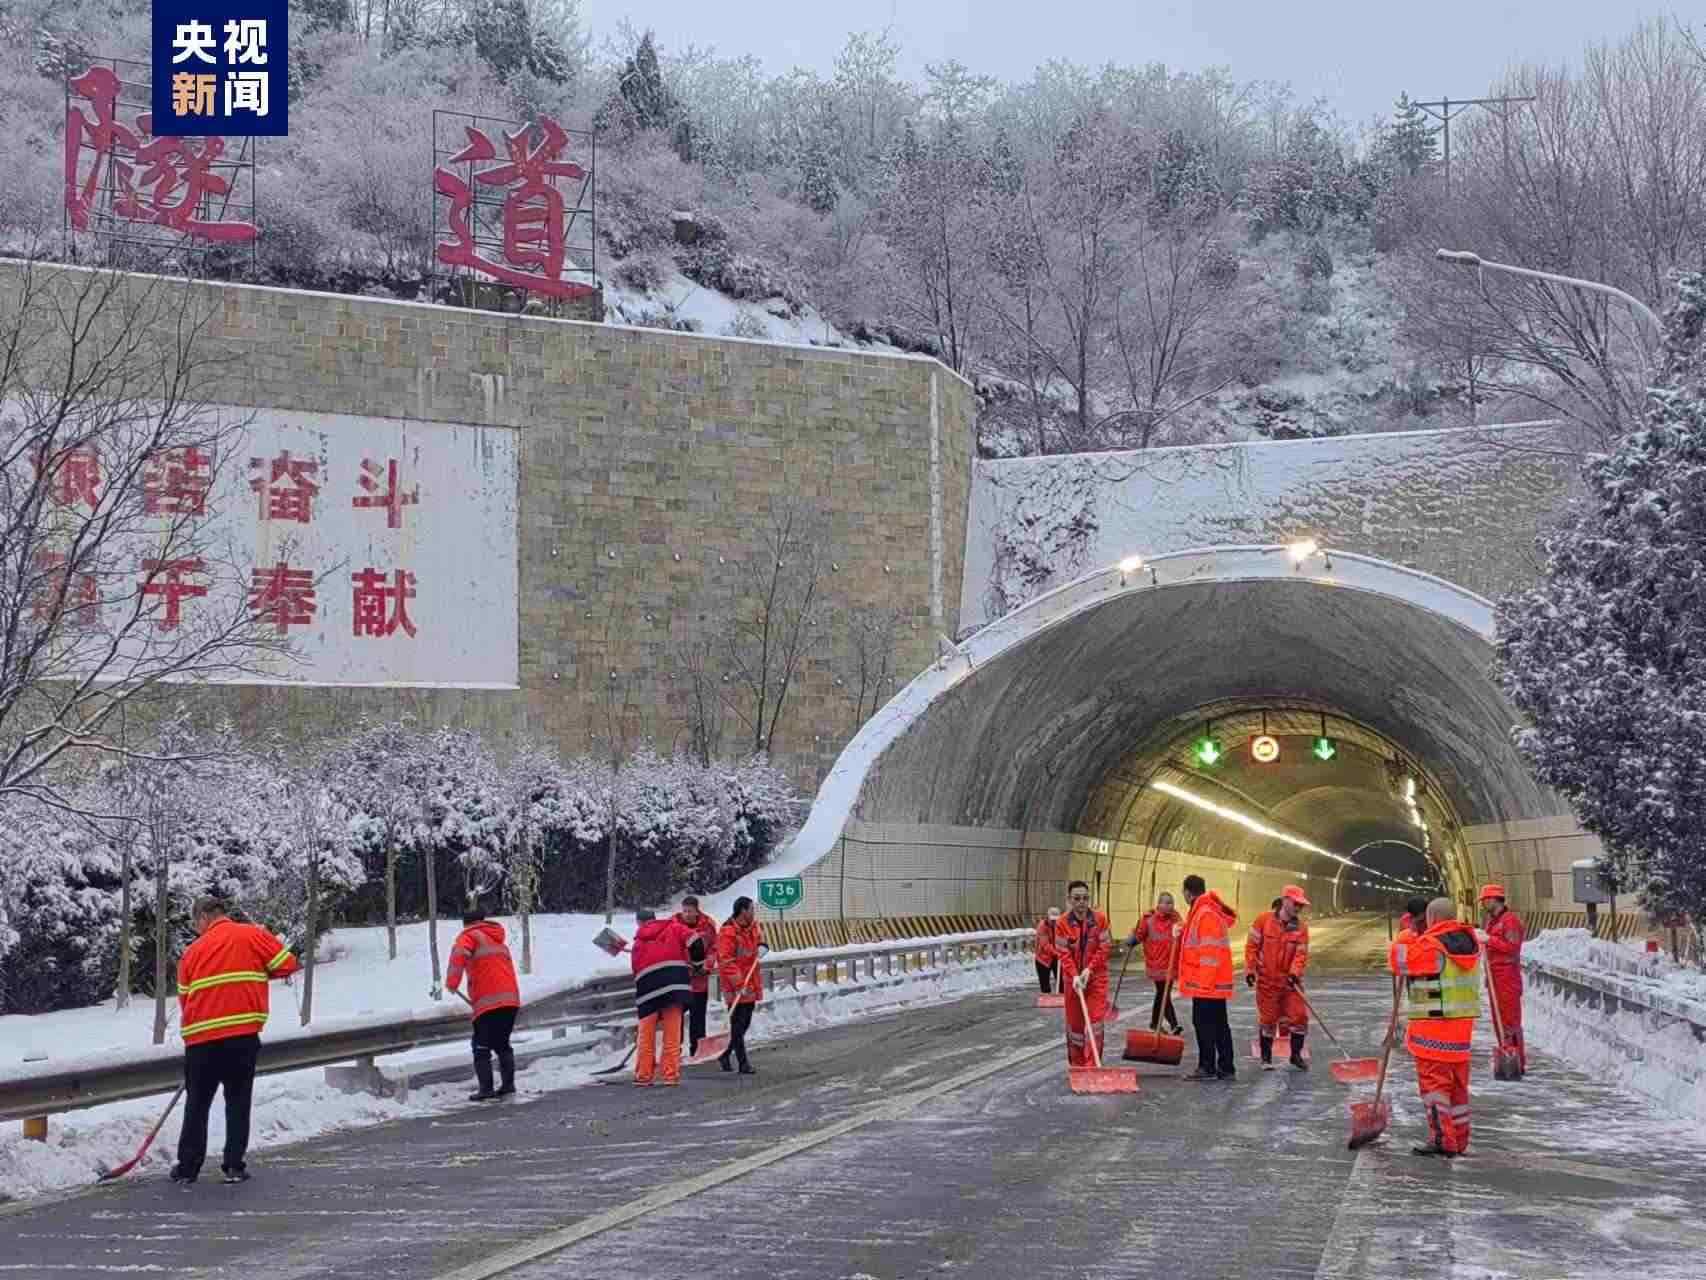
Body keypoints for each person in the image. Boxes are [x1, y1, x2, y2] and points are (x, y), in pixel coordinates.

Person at [169, 897, 299, 1186]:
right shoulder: (252, 935)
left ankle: (188, 1168)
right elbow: (288, 964)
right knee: (238, 1102)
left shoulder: (191, 953)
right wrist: (258, 972)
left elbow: (185, 999)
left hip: (201, 1040)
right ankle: (233, 1166)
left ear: (204, 917)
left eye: (195, 923)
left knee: (197, 1105)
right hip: (241, 1036)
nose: (196, 928)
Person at [1389, 896, 1482, 1157]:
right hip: (1461, 1033)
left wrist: (1406, 935)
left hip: (1433, 1033)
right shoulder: (1469, 943)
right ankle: (1459, 1139)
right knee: (1457, 1092)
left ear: (1432, 918)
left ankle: (1442, 1140)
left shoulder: (1431, 946)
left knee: (1435, 1091)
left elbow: (1398, 963)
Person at [447, 902, 522, 1102]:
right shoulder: (498, 939)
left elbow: (459, 955)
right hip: (510, 1000)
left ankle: (486, 1089)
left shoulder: (469, 936)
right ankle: (508, 1085)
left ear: (466, 923)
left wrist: (452, 983)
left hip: (488, 1002)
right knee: (502, 1043)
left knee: (480, 1045)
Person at [1176, 873, 1238, 1081]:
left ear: (1187, 892)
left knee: (1204, 1024)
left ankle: (1207, 1067)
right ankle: (1225, 1067)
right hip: (1213, 983)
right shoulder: (1205, 911)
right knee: (1219, 1024)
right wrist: (1182, 929)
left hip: (1208, 984)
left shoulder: (1204, 914)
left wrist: (1204, 984)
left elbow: (1209, 953)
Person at [1246, 885, 1312, 1070]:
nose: (1298, 908)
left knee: (1299, 1017)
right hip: (1267, 982)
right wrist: (1250, 970)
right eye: (1295, 903)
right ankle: (1266, 1058)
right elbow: (1252, 947)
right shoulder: (1263, 921)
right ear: (1285, 901)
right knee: (1268, 1020)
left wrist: (1294, 973)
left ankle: (1295, 1055)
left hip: (1290, 983)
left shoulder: (1301, 929)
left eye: (1301, 905)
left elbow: (1300, 955)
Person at [630, 907, 694, 1086]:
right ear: (654, 918)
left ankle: (644, 1076)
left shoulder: (638, 944)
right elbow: (695, 940)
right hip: (675, 987)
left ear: (639, 922)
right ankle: (670, 1075)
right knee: (672, 1034)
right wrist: (697, 963)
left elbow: (636, 971)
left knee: (646, 1036)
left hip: (648, 991)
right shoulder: (674, 928)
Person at [1055, 881, 1113, 1067]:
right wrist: (1074, 975)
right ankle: (1078, 1065)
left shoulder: (1100, 920)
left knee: (1095, 1022)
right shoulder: (1062, 923)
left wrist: (1090, 969)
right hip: (1072, 981)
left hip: (1096, 978)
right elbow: (1063, 952)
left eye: (1085, 898)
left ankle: (1093, 1065)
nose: (1082, 902)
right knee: (1075, 1025)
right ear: (1069, 900)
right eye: (1077, 898)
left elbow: (1105, 947)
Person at [1480, 884, 1527, 1075]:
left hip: (1507, 977)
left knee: (1510, 1021)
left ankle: (1516, 1061)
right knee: (1498, 1020)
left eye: (1485, 900)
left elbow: (1512, 947)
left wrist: (1488, 940)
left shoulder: (1510, 921)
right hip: (1495, 977)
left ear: (1495, 899)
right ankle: (1505, 1054)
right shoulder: (1492, 922)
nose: (1483, 903)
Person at [717, 896, 767, 1074]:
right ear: (743, 911)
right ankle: (743, 1063)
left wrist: (762, 946)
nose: (754, 912)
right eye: (751, 909)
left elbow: (760, 939)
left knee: (744, 1023)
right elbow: (726, 961)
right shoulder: (728, 932)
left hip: (750, 981)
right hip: (735, 985)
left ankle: (724, 1053)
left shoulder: (753, 927)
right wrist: (738, 983)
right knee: (737, 1024)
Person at [1127, 892, 1182, 1035]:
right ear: (1159, 904)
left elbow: (1182, 937)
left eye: (1171, 903)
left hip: (1170, 964)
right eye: (1166, 903)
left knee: (1162, 994)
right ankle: (1173, 1024)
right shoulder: (1149, 920)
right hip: (1156, 965)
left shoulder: (1176, 919)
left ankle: (1154, 1023)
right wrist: (1133, 940)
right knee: (1164, 994)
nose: (1169, 906)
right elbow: (1140, 934)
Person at [672, 896, 720, 1057]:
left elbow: (714, 948)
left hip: (700, 981)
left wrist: (707, 965)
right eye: (684, 911)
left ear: (697, 911)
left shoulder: (707, 925)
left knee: (698, 1017)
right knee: (675, 1016)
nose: (686, 914)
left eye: (689, 911)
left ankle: (698, 1049)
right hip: (679, 981)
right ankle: (674, 1050)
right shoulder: (673, 925)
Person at [1033, 907, 1062, 993]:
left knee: (1062, 983)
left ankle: (1062, 996)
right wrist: (1057, 953)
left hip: (1057, 957)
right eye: (1052, 920)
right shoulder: (1042, 926)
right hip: (1043, 959)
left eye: (1056, 920)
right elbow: (1045, 945)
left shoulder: (1061, 926)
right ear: (1048, 917)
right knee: (1045, 985)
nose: (1054, 922)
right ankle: (1046, 997)